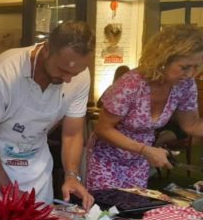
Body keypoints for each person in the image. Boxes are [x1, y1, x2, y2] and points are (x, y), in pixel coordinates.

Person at [0, 20, 96, 213]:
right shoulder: (4, 72)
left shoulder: (80, 76)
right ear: (46, 49)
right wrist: (8, 190)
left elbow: (72, 133)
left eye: (75, 73)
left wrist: (72, 175)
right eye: (62, 70)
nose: (68, 79)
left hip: (36, 170)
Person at [87, 24, 203, 190]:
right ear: (164, 59)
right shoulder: (132, 83)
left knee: (134, 210)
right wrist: (144, 150)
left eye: (196, 67)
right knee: (106, 213)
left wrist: (144, 152)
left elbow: (191, 125)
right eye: (184, 67)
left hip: (139, 161)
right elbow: (103, 129)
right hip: (107, 160)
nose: (190, 74)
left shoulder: (185, 85)